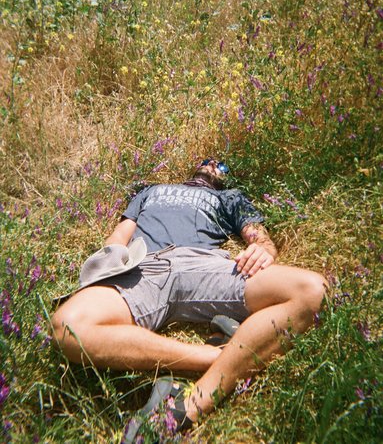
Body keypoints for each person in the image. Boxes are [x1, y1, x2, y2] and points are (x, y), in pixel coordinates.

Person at [51, 158, 328, 437]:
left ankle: (193, 403)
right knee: (69, 328)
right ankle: (218, 356)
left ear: (225, 179)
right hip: (145, 268)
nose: (213, 166)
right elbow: (119, 236)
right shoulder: (150, 191)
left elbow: (260, 237)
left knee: (312, 291)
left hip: (208, 267)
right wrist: (107, 270)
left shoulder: (228, 197)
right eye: (207, 162)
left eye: (222, 167)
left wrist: (264, 249)